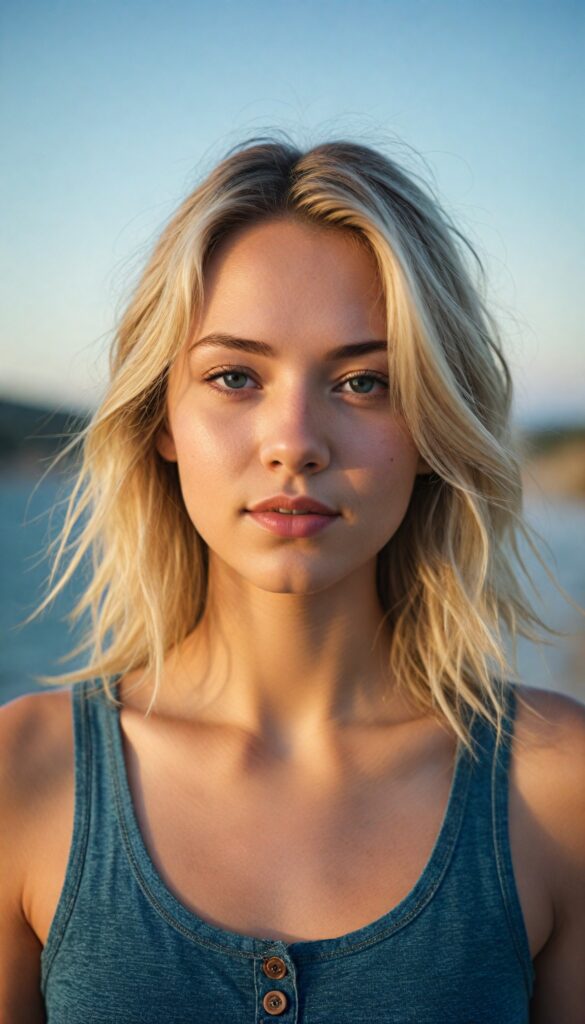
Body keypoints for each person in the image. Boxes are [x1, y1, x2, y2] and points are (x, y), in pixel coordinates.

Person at [1, 136, 584, 1023]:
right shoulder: (24, 776)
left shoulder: (555, 786)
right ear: (162, 418)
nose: (293, 441)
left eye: (361, 382)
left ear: (432, 426)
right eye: (234, 377)